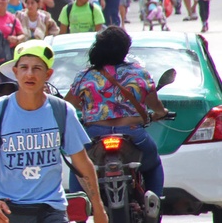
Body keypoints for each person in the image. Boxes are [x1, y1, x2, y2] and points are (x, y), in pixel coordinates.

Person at [0, 41, 107, 223]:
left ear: (48, 74)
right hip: (7, 210)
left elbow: (82, 163)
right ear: (16, 72)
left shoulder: (62, 111)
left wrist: (99, 208)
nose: (30, 74)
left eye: (37, 68)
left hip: (51, 210)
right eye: (24, 68)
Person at [65, 27, 169, 204]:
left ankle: (80, 219)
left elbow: (68, 105)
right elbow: (154, 104)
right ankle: (155, 208)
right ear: (125, 49)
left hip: (94, 135)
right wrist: (161, 113)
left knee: (79, 166)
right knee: (153, 166)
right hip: (133, 133)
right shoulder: (139, 73)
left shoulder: (85, 76)